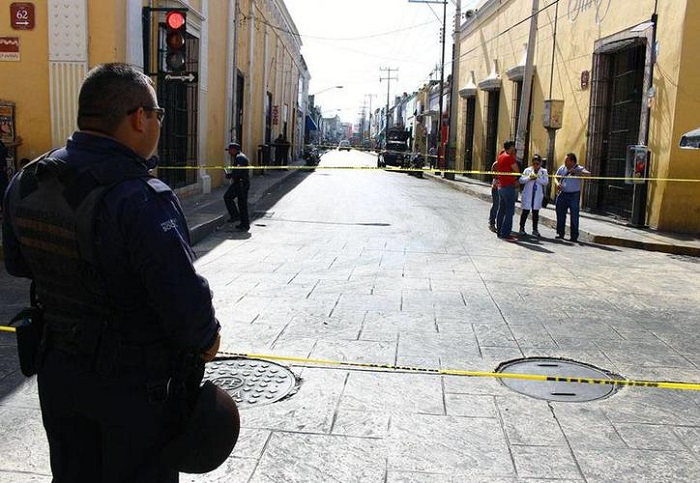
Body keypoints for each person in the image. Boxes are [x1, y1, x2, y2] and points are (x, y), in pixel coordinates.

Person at [2, 63, 221, 482]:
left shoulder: (29, 179)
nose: (158, 122)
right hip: (133, 385)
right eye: (158, 113)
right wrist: (207, 338)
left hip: (58, 370)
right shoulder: (139, 196)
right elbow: (183, 300)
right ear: (139, 118)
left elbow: (17, 263)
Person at [554, 152, 590, 242]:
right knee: (560, 214)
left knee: (574, 216)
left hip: (574, 195)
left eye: (567, 161)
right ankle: (560, 233)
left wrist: (576, 172)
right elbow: (556, 177)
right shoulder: (562, 168)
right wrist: (557, 183)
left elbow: (588, 174)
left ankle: (574, 236)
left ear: (572, 161)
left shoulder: (579, 168)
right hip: (562, 194)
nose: (565, 163)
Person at [518, 154, 549, 237]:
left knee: (535, 213)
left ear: (540, 164)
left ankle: (535, 230)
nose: (535, 166)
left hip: (537, 195)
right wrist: (529, 178)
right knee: (525, 212)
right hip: (528, 194)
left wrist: (537, 179)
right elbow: (521, 180)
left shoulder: (544, 171)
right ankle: (521, 228)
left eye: (537, 164)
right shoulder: (527, 170)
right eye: (534, 163)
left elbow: (545, 182)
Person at [495, 140, 520, 241]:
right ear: (510, 148)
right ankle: (505, 233)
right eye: (513, 147)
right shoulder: (510, 158)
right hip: (508, 187)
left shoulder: (501, 156)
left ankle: (499, 231)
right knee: (509, 212)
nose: (514, 149)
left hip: (501, 186)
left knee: (501, 210)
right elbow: (517, 170)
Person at [223, 141, 250, 231]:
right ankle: (242, 222)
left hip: (241, 184)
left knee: (230, 198)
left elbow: (238, 171)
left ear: (234, 150)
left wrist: (230, 175)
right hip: (240, 183)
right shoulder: (238, 157)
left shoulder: (240, 158)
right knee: (239, 203)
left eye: (230, 150)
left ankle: (238, 218)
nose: (229, 152)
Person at [488, 159, 499, 232]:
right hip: (496, 187)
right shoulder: (496, 164)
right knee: (496, 205)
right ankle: (492, 222)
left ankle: (500, 224)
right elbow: (493, 175)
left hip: (504, 187)